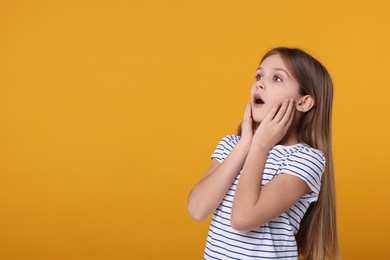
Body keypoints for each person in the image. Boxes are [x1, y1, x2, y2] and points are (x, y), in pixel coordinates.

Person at [188, 47, 340, 260]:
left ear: (303, 102)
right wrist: (244, 146)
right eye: (259, 76)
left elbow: (242, 218)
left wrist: (259, 147)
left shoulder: (306, 159)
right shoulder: (231, 145)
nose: (260, 83)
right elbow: (197, 209)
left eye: (277, 78)